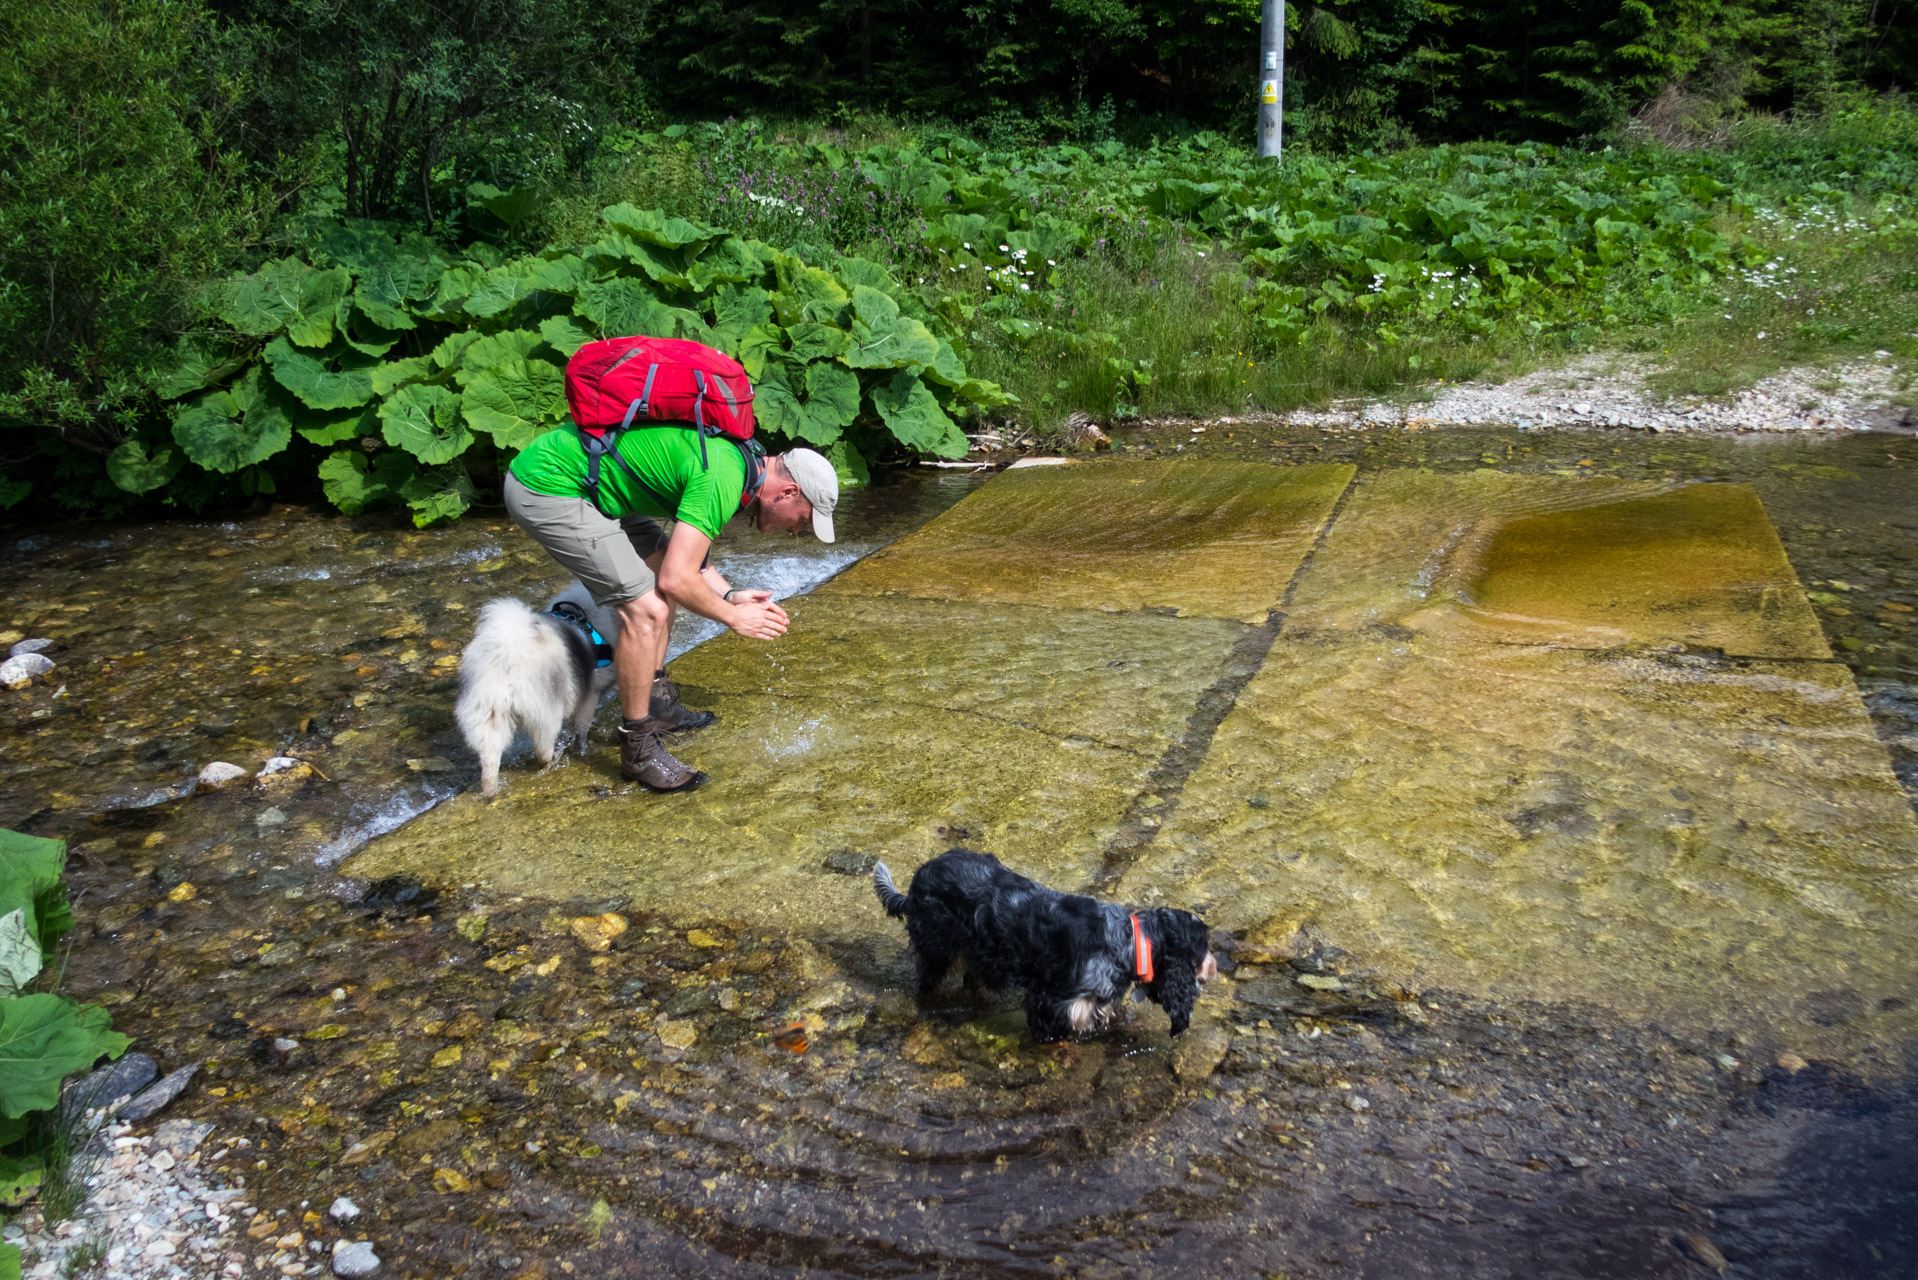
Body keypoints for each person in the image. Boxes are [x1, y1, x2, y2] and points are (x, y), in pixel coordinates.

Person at [502, 422, 838, 793]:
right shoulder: (723, 478)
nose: (796, 531)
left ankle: (657, 704)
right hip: (548, 486)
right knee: (648, 610)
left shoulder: (740, 463)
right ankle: (639, 749)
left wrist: (729, 597)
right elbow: (677, 580)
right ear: (789, 491)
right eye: (803, 520)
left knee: (662, 573)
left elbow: (689, 563)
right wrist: (733, 618)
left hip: (597, 484)